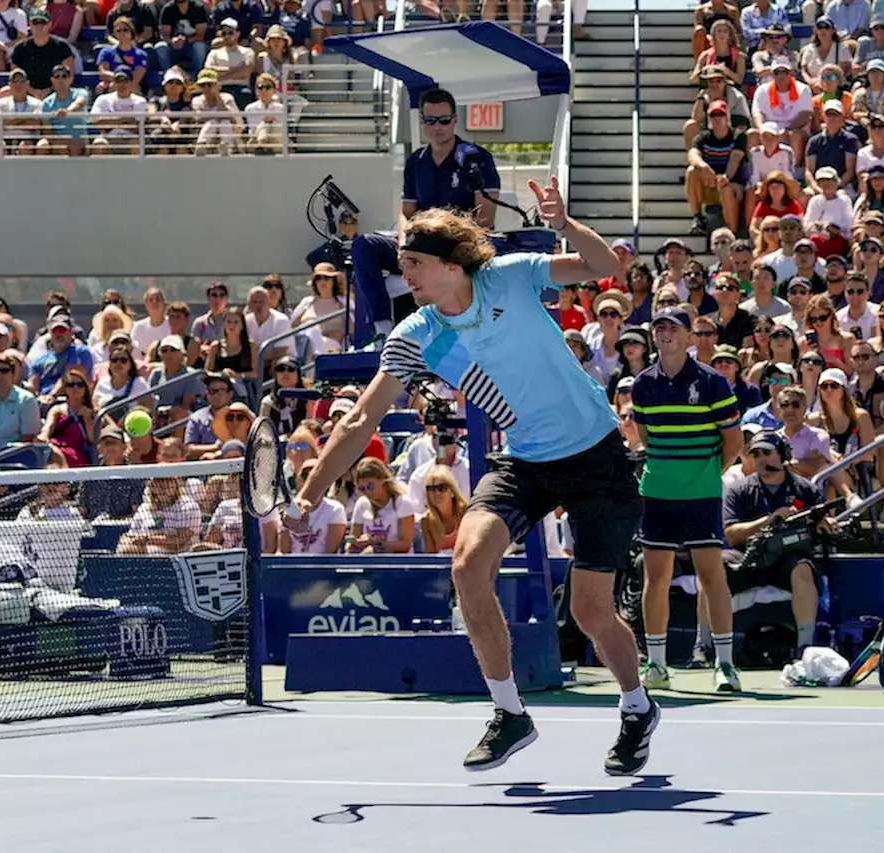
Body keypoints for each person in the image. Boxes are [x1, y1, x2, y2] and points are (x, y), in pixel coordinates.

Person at [291, 178, 656, 775]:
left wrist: (564, 222)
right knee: (467, 565)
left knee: (591, 612)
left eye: (414, 263)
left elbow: (601, 264)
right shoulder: (419, 335)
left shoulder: (510, 276)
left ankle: (636, 705)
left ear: (453, 263)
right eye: (401, 263)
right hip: (527, 459)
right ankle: (509, 712)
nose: (404, 274)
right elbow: (360, 418)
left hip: (597, 456)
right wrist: (309, 491)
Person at [631, 306, 744, 693]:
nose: (664, 333)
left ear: (689, 337)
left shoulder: (713, 382)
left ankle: (725, 664)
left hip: (701, 495)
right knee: (655, 578)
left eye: (672, 328)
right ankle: (657, 664)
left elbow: (734, 443)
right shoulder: (642, 384)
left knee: (712, 576)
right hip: (657, 494)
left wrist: (703, 473)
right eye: (658, 327)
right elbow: (647, 438)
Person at [351, 87, 501, 346]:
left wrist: (446, 244)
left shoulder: (477, 159)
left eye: (444, 120)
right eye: (430, 120)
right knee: (363, 245)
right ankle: (382, 329)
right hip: (419, 246)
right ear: (422, 123)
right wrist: (403, 245)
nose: (437, 127)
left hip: (457, 249)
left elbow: (484, 220)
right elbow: (406, 213)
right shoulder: (416, 161)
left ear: (455, 120)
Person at [722, 429, 837, 657]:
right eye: (755, 454)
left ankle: (804, 648)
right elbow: (731, 534)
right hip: (749, 558)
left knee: (803, 568)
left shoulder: (805, 489)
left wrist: (825, 526)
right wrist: (770, 519)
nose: (761, 459)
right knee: (713, 569)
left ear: (783, 454)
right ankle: (703, 645)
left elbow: (819, 525)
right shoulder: (739, 490)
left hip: (787, 558)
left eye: (766, 452)